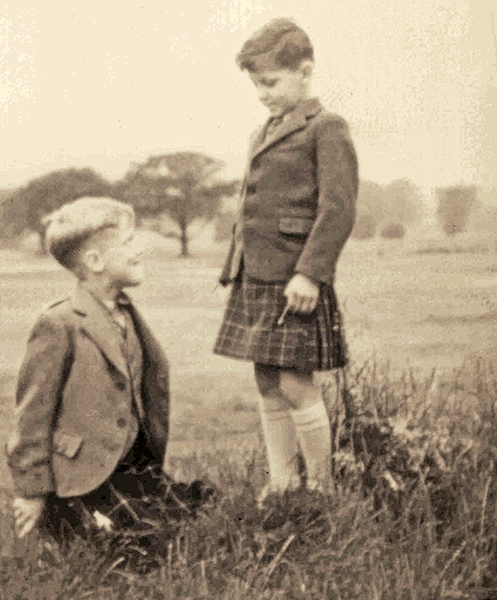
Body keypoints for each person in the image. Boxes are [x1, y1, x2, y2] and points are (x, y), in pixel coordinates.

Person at [6, 196, 207, 543]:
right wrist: (31, 492)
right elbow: (32, 416)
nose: (139, 250)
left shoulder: (126, 312)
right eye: (128, 243)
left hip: (130, 467)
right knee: (144, 542)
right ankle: (71, 522)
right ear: (95, 261)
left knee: (198, 511)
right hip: (81, 480)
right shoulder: (59, 323)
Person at [214, 18, 358, 502]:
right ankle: (282, 483)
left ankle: (321, 488)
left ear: (305, 71)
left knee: (296, 384)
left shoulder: (326, 128)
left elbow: (337, 209)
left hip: (294, 277)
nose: (262, 93)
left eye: (270, 82)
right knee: (266, 382)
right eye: (256, 84)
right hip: (256, 274)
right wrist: (235, 267)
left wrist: (310, 273)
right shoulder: (264, 129)